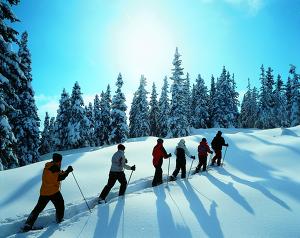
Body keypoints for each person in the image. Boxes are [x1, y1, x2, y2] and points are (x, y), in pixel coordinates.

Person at [22, 153, 73, 232]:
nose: (60, 162)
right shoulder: (54, 168)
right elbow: (60, 177)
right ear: (58, 160)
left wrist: (65, 171)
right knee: (60, 204)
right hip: (53, 192)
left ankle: (28, 225)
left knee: (37, 209)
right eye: (60, 160)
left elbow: (58, 174)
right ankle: (59, 219)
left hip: (44, 192)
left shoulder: (50, 165)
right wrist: (68, 171)